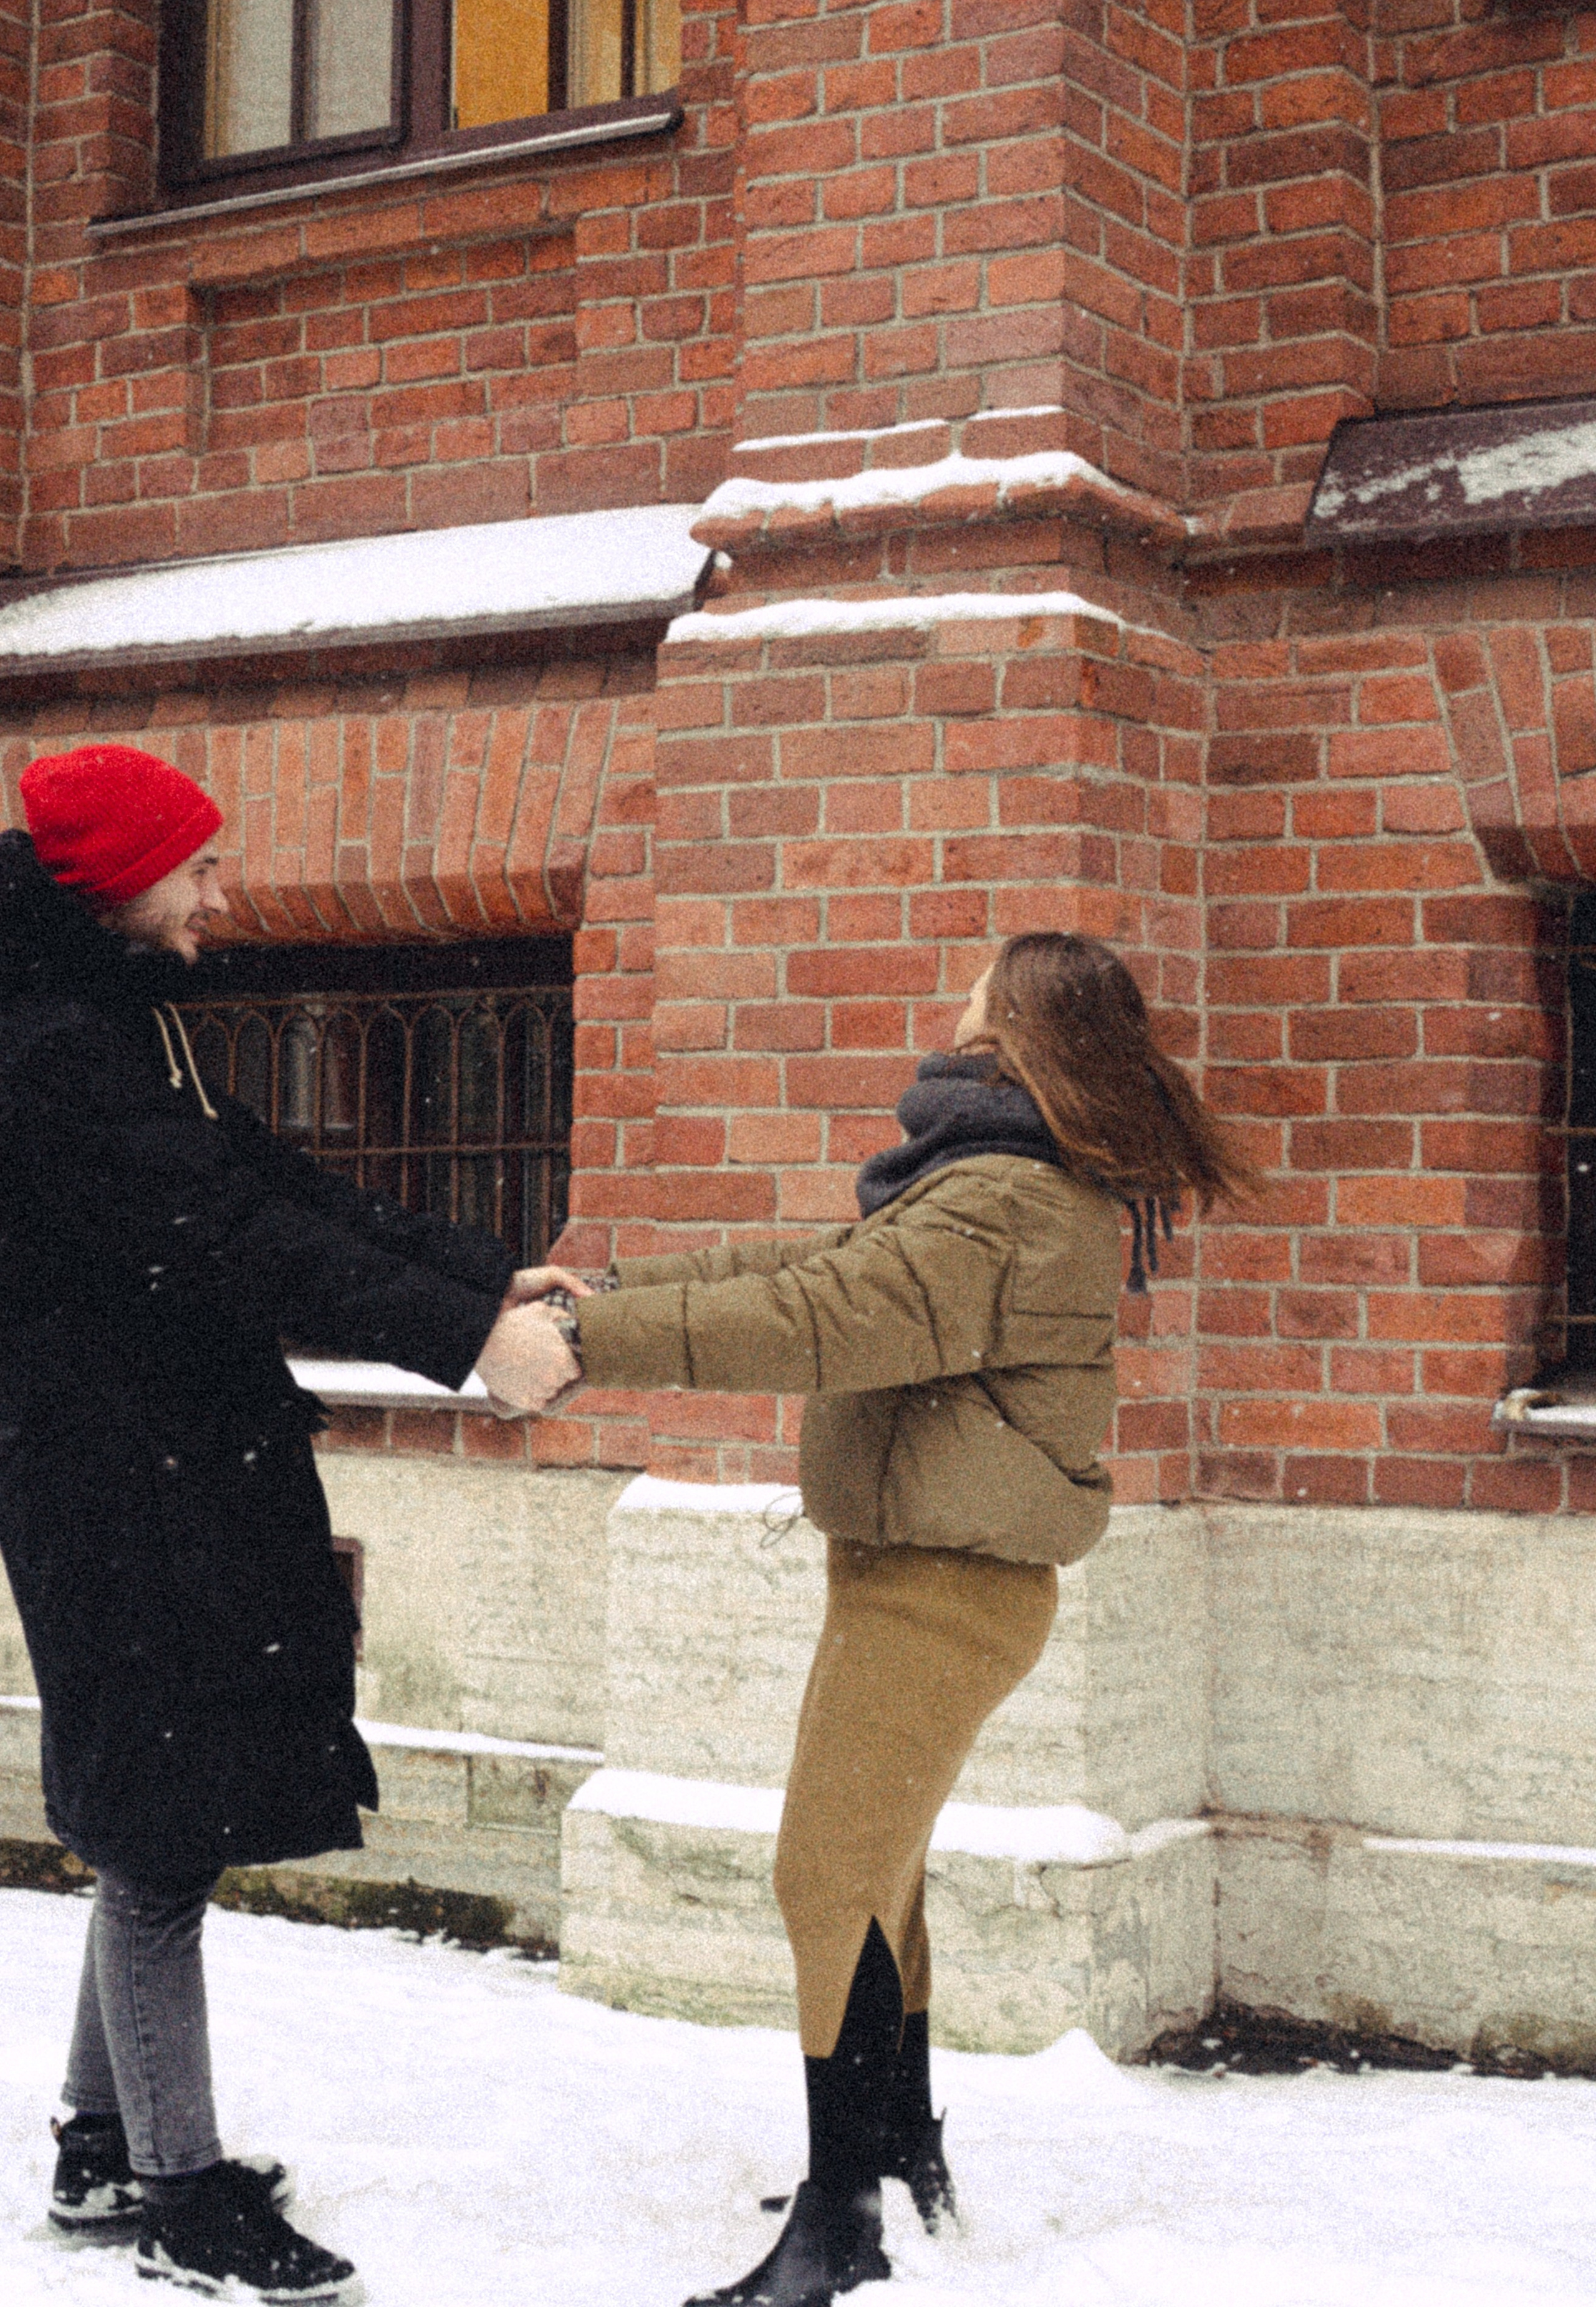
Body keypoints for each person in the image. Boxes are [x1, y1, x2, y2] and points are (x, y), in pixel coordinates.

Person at [511, 932, 1254, 2307]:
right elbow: (826, 1265)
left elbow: (830, 1312)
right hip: (923, 1570)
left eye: (984, 981)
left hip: (942, 1583)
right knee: (878, 1871)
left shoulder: (1004, 1197)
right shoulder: (988, 1181)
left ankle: (839, 2220)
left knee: (825, 1874)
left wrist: (588, 1345)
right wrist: (614, 1292)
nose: (958, 996)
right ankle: (899, 2150)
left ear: (1021, 1021)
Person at [0, 744, 557, 2303]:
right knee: (157, 1827)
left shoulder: (114, 1023)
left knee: (156, 1813)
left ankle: (106, 2148)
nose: (221, 893)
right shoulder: (47, 1049)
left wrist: (470, 1285)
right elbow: (226, 1240)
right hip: (110, 1478)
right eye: (200, 867)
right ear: (115, 880)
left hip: (170, 1459)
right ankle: (179, 2198)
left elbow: (267, 1178)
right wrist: (458, 1352)